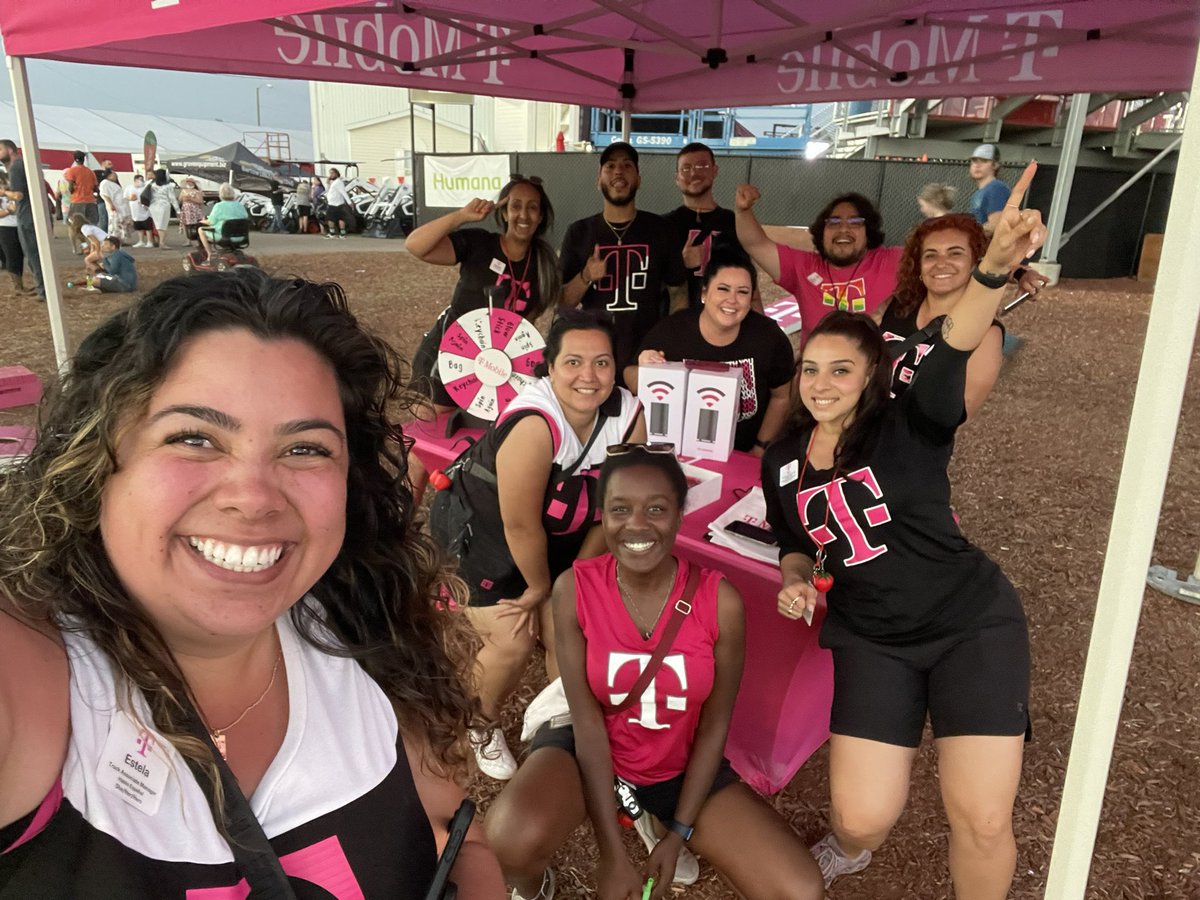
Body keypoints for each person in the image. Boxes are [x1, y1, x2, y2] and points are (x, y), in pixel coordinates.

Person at [0, 269, 504, 898]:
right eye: (193, 438)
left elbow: (460, 840)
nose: (254, 498)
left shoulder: (368, 639)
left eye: (306, 449)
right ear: (96, 461)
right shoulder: (35, 674)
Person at [761, 163, 1043, 896]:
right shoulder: (783, 457)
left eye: (843, 372)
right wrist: (795, 578)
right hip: (871, 635)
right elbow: (796, 541)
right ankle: (850, 850)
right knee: (859, 820)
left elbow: (952, 349)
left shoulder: (912, 423)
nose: (822, 384)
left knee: (979, 817)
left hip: (967, 622)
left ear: (873, 377)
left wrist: (991, 271)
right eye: (812, 369)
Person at [486, 446, 825, 900]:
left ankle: (653, 814)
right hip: (592, 747)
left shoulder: (719, 601)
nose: (638, 525)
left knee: (798, 890)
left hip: (677, 759)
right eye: (621, 509)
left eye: (657, 509)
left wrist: (678, 832)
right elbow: (586, 722)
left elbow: (714, 724)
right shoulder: (576, 588)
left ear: (681, 513)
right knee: (510, 838)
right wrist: (612, 854)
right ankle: (531, 885)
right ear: (603, 515)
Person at [430, 310, 646, 781]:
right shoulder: (535, 422)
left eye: (602, 363)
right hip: (485, 536)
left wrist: (572, 581)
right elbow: (519, 524)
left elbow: (620, 511)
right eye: (573, 362)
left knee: (569, 623)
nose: (588, 376)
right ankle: (478, 722)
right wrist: (540, 588)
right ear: (549, 367)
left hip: (559, 540)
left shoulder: (630, 416)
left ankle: (563, 730)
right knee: (512, 638)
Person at [407, 175, 562, 413]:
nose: (524, 215)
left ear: (541, 216)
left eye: (532, 208)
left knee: (480, 440)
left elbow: (527, 321)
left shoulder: (544, 263)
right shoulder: (479, 243)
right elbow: (415, 245)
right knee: (431, 436)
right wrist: (462, 216)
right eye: (516, 206)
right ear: (503, 212)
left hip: (498, 367)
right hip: (449, 354)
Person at [626, 247, 795, 455]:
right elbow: (629, 376)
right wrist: (647, 369)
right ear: (704, 292)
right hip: (680, 453)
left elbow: (781, 397)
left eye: (742, 292)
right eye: (723, 289)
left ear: (751, 298)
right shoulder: (672, 331)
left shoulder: (769, 336)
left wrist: (760, 448)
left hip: (744, 452)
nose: (732, 300)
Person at [559, 142, 687, 381]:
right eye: (610, 166)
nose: (619, 171)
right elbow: (563, 302)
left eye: (627, 165)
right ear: (598, 180)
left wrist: (669, 339)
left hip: (648, 353)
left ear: (638, 179)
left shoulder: (660, 229)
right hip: (595, 353)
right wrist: (586, 276)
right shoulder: (579, 232)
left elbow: (679, 291)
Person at [877, 213, 1013, 420]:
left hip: (909, 445)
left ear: (975, 264)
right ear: (919, 267)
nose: (941, 263)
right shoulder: (897, 305)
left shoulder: (986, 334)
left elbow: (955, 416)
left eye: (955, 253)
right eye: (930, 255)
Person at [735, 186, 903, 347]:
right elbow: (755, 244)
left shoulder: (892, 261)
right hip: (816, 373)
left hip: (872, 373)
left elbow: (928, 256)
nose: (843, 229)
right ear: (822, 233)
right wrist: (743, 211)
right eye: (834, 222)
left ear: (869, 232)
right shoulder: (805, 267)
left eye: (855, 222)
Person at [663, 142, 745, 311]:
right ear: (677, 178)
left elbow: (749, 281)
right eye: (686, 168)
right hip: (678, 323)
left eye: (702, 165)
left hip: (724, 320)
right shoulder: (663, 226)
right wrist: (680, 264)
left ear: (715, 171)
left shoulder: (734, 222)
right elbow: (650, 286)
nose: (694, 173)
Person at [0, 139, 46, 301]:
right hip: (33, 214)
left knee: (33, 253)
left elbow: (19, 195)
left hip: (27, 216)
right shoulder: (26, 164)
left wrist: (4, 193)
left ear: (10, 150)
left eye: (0, 150)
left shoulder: (16, 167)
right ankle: (44, 287)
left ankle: (43, 290)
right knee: (37, 253)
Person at [198, 183, 250, 260]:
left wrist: (202, 221)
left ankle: (209, 253)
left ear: (220, 194)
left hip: (224, 236)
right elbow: (245, 217)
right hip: (241, 237)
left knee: (201, 230)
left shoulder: (219, 206)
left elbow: (211, 222)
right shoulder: (240, 205)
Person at [968, 144, 1011, 236]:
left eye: (983, 161)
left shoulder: (996, 188)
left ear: (995, 165)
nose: (977, 165)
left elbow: (995, 226)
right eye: (974, 161)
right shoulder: (978, 193)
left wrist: (967, 233)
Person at [0, 173, 29, 296]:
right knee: (11, 255)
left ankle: (21, 284)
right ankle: (17, 286)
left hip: (18, 224)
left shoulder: (10, 193)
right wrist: (9, 210)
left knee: (19, 254)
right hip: (4, 227)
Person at [62, 151, 99, 225]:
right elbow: (96, 188)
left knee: (76, 225)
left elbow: (71, 187)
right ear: (84, 159)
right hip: (90, 201)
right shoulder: (90, 172)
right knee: (91, 224)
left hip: (77, 201)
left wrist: (72, 192)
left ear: (75, 159)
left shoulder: (71, 171)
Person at [148, 169, 180, 249]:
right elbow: (172, 199)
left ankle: (161, 242)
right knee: (163, 225)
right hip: (164, 206)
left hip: (153, 206)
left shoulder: (151, 184)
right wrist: (178, 210)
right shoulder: (168, 186)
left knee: (158, 225)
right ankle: (162, 243)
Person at [99, 170, 131, 243]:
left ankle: (121, 240)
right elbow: (105, 195)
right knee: (115, 224)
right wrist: (111, 204)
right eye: (113, 175)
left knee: (121, 223)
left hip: (121, 206)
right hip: (115, 206)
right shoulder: (105, 183)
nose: (115, 176)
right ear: (108, 175)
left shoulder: (113, 184)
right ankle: (113, 240)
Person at [126, 174, 155, 248]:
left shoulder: (146, 187)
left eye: (142, 180)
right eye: (140, 180)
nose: (141, 181)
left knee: (148, 227)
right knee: (139, 227)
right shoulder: (129, 187)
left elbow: (150, 197)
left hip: (145, 210)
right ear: (135, 180)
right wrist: (130, 198)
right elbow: (126, 197)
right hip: (135, 210)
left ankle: (149, 241)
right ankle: (141, 241)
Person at [323, 168, 352, 239]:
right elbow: (328, 190)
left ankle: (342, 234)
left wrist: (349, 202)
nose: (330, 175)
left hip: (338, 204)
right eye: (330, 173)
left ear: (336, 173)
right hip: (332, 203)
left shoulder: (338, 182)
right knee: (330, 219)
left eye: (332, 173)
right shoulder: (333, 182)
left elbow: (343, 192)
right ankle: (332, 233)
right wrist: (327, 183)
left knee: (340, 219)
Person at [178, 177, 207, 244]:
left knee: (196, 224)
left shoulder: (197, 192)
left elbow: (200, 201)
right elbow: (180, 199)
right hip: (186, 210)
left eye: (190, 182)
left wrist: (191, 199)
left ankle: (198, 239)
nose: (189, 183)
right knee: (186, 224)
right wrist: (183, 199)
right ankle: (188, 239)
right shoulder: (183, 191)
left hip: (195, 210)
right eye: (187, 182)